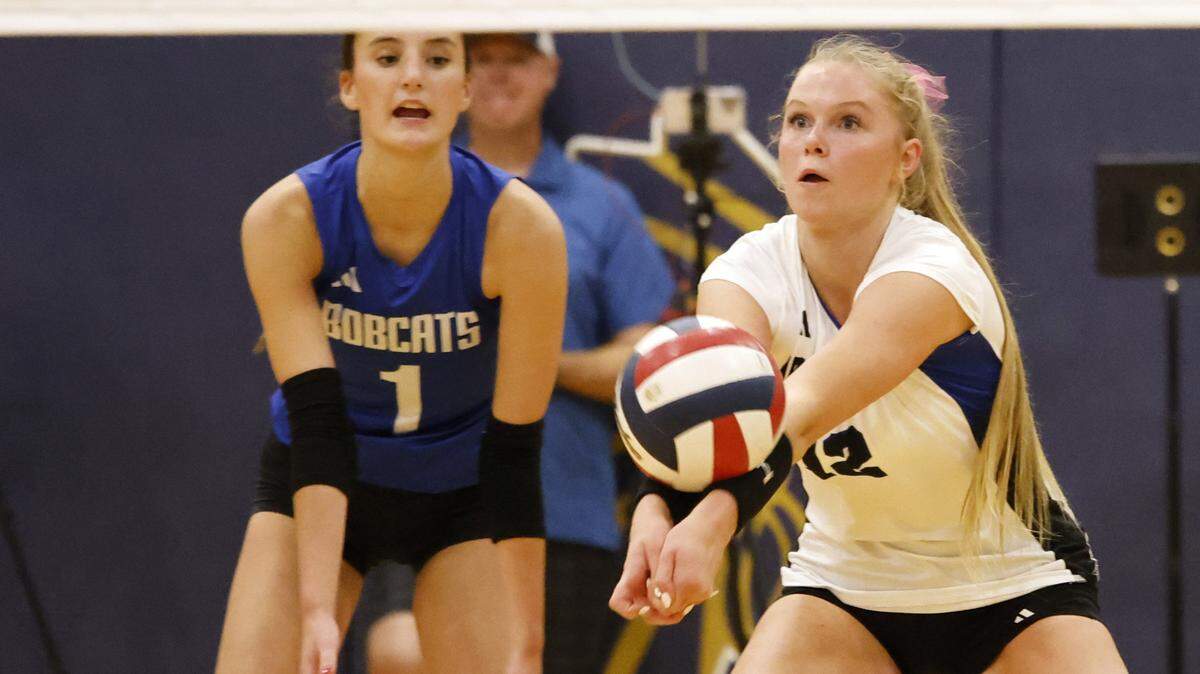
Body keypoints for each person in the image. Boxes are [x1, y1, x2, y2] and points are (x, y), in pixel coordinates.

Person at [609, 34, 1127, 673]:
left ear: (905, 159)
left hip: (1016, 582)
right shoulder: (746, 271)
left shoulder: (934, 270)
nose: (814, 140)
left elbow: (799, 412)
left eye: (847, 122)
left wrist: (710, 527)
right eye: (799, 121)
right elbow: (717, 413)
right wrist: (655, 509)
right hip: (845, 589)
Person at [214, 30, 566, 674]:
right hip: (321, 477)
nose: (413, 77)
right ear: (350, 86)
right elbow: (319, 423)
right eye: (386, 58)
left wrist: (530, 644)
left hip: (462, 490)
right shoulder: (285, 218)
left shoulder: (522, 229)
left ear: (463, 91)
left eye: (437, 60)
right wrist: (318, 609)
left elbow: (515, 449)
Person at [361, 31, 675, 674]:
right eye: (485, 59)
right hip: (428, 488)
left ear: (550, 71)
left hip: (563, 511)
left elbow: (649, 362)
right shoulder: (405, 191)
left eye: (519, 59)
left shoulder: (602, 206)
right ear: (460, 76)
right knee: (398, 652)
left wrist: (536, 362)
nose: (501, 75)